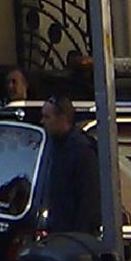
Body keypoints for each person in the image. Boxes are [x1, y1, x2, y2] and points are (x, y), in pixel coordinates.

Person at [42, 94, 101, 234]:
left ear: (62, 118)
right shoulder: (51, 145)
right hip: (56, 230)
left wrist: (79, 235)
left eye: (47, 117)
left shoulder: (81, 150)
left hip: (72, 234)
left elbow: (89, 200)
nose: (42, 121)